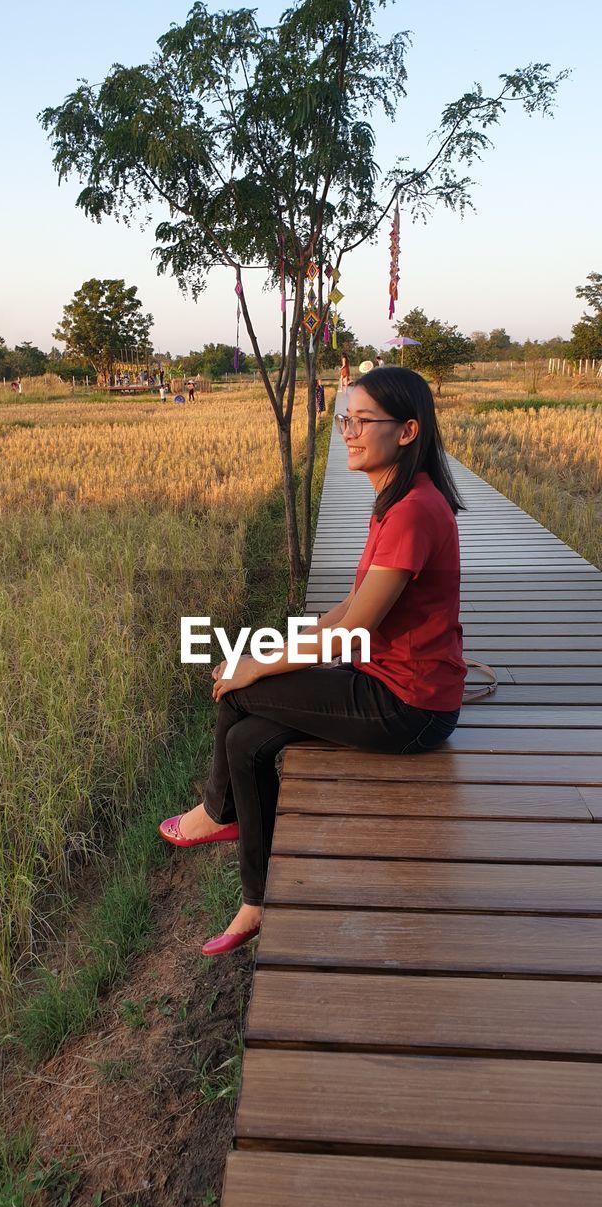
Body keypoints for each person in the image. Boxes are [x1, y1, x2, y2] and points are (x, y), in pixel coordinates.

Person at [159, 366, 467, 957]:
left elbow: (352, 629)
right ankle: (257, 897)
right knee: (246, 741)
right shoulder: (398, 499)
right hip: (384, 678)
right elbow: (350, 606)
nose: (347, 432)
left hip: (409, 705)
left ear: (407, 431)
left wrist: (255, 666)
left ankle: (216, 811)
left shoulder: (411, 511)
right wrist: (272, 650)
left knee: (241, 688)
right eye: (343, 419)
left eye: (360, 421)